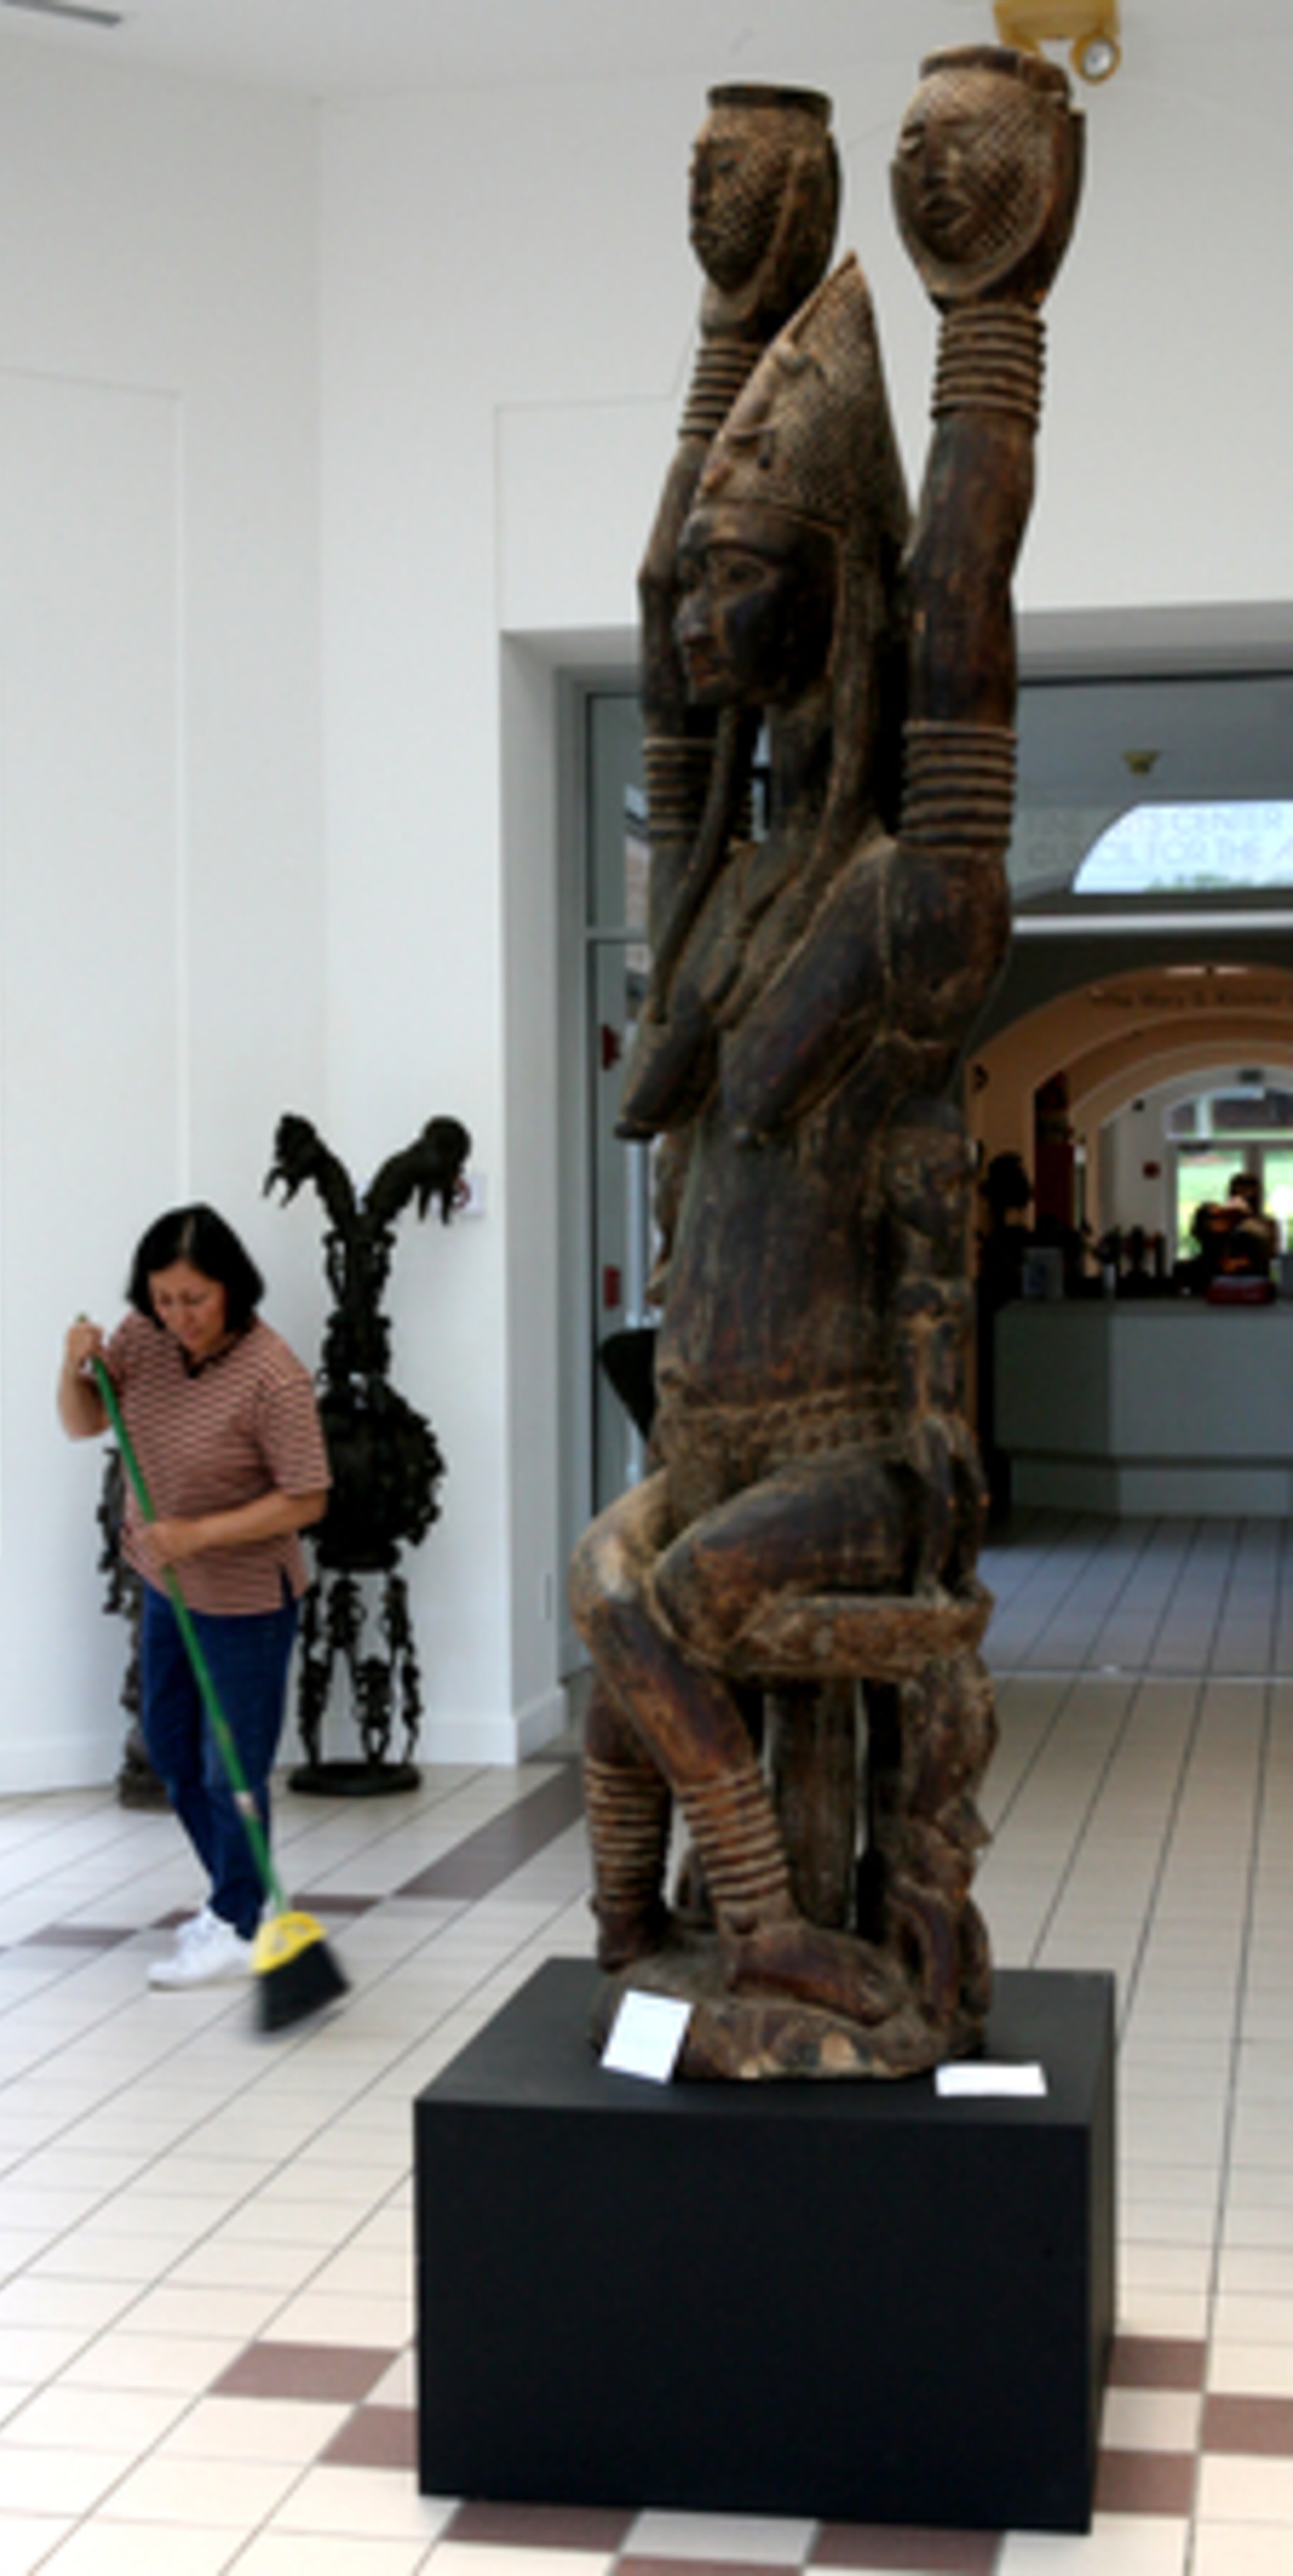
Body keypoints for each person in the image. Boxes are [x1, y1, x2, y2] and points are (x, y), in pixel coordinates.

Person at [569, 46, 1081, 2075]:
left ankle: (775, 1941)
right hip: (714, 1434)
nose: (700, 622)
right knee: (609, 1590)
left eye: (744, 583)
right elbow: (646, 604)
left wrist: (995, 320)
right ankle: (648, 1931)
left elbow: (961, 590)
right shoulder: (717, 891)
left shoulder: (901, 896)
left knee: (628, 1610)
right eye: (697, 588)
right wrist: (724, 326)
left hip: (856, 1456)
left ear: (836, 595)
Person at [58, 1205, 330, 1987]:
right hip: (167, 1587)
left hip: (247, 1599)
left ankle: (241, 1920)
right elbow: (83, 1423)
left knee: (230, 1769)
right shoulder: (143, 1336)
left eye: (194, 1300)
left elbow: (307, 1498)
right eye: (163, 1299)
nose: (178, 1317)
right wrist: (73, 1364)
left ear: (232, 1288)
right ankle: (244, 1903)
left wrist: (199, 1534)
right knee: (172, 1748)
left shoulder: (273, 1375)